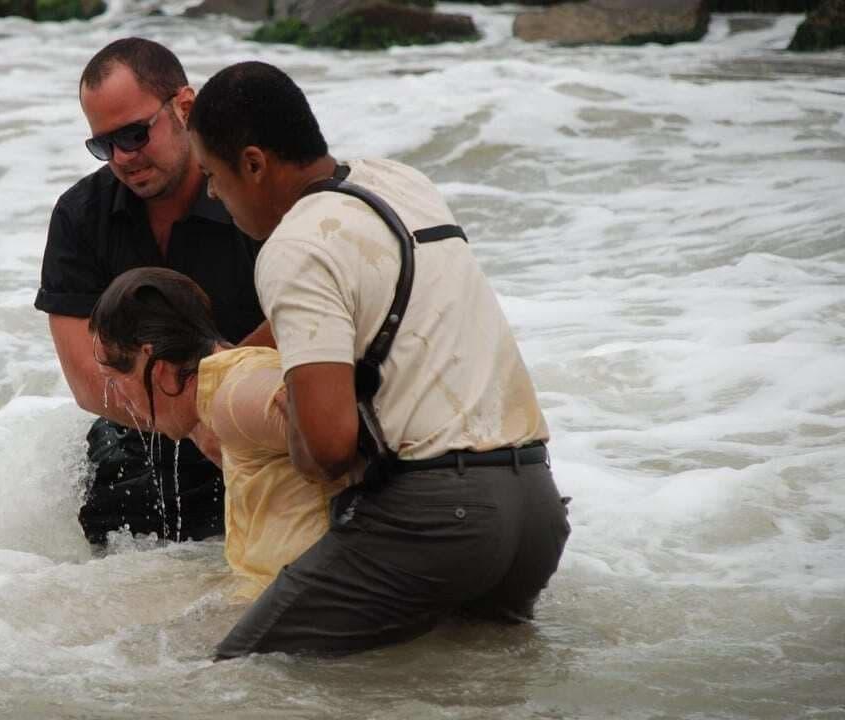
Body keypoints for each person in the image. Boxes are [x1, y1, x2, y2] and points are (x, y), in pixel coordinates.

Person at [187, 61, 571, 658]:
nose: (213, 193)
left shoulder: (292, 246)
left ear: (255, 164)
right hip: (536, 511)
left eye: (212, 174)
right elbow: (366, 297)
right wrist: (243, 355)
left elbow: (329, 450)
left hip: (439, 519)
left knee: (243, 673)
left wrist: (293, 416)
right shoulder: (400, 182)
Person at [35, 38, 270, 545]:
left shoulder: (252, 191)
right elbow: (85, 379)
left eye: (136, 134)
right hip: (141, 430)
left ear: (185, 107)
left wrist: (215, 402)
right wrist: (188, 418)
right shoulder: (80, 216)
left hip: (256, 411)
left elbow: (307, 317)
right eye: (104, 144)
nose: (123, 157)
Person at [89, 267, 350, 600]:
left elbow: (318, 410)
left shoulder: (232, 396)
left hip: (308, 615)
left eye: (114, 381)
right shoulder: (221, 392)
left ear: (156, 366)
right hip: (286, 601)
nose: (119, 400)